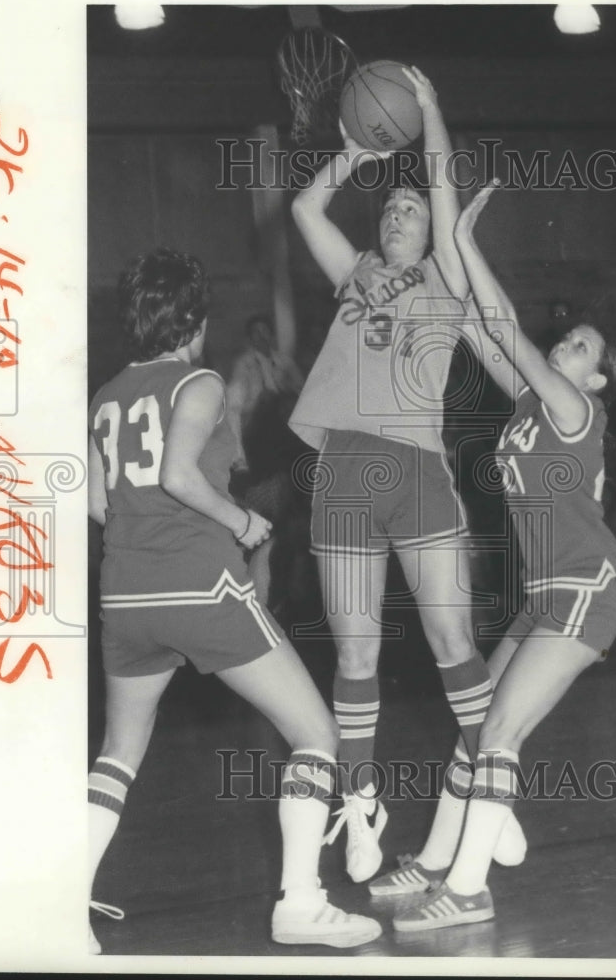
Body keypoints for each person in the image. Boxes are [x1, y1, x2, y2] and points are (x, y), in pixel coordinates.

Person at [87, 248, 381, 953]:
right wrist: (240, 521)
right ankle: (302, 904)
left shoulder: (103, 398)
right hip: (202, 584)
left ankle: (64, 905)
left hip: (125, 594)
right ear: (194, 316)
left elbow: (98, 501)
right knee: (316, 733)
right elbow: (181, 474)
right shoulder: (202, 383)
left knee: (117, 756)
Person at [288, 67, 523, 885]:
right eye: (391, 205)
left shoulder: (448, 279)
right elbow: (302, 209)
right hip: (346, 466)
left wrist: (428, 109)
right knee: (354, 655)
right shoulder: (351, 270)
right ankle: (361, 806)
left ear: (430, 232)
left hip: (418, 465)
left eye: (412, 208)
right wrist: (351, 155)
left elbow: (445, 188)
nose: (399, 212)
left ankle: (494, 792)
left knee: (453, 641)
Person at [388, 182, 616, 931]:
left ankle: (468, 889)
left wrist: (466, 242)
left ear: (595, 380)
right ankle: (436, 861)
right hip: (541, 599)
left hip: (586, 593)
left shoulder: (576, 409)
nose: (568, 345)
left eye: (583, 348)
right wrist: (443, 257)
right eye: (569, 337)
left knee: (497, 735)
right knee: (475, 728)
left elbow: (505, 323)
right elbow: (475, 324)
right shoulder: (531, 403)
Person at [226, 315, 305, 607]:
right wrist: (239, 455)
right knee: (267, 521)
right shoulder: (244, 365)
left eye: (266, 332)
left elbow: (303, 392)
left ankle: (292, 583)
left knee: (290, 517)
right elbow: (234, 408)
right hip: (258, 441)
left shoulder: (283, 362)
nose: (262, 338)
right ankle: (260, 588)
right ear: (250, 338)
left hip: (285, 442)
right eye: (256, 333)